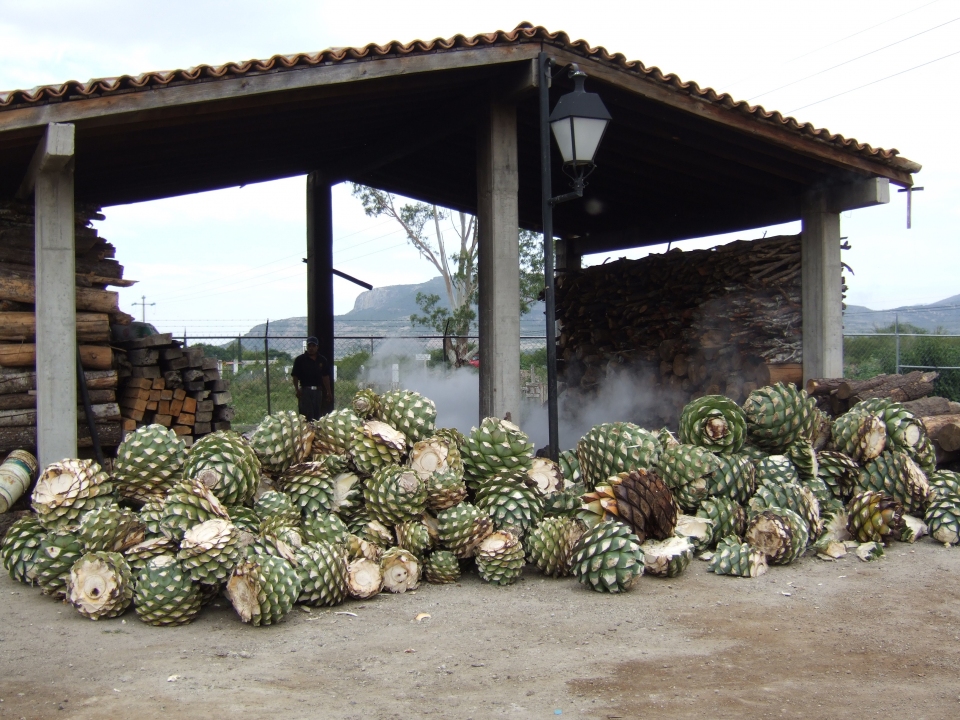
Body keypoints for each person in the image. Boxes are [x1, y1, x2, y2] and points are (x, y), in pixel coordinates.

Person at [291, 336, 332, 421]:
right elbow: (295, 376)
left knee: (317, 416)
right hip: (305, 391)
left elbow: (325, 377)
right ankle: (307, 433)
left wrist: (328, 391)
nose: (311, 348)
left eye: (313, 346)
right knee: (306, 415)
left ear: (317, 347)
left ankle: (316, 433)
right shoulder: (300, 360)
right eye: (309, 346)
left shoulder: (322, 360)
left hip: (318, 391)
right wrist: (297, 389)